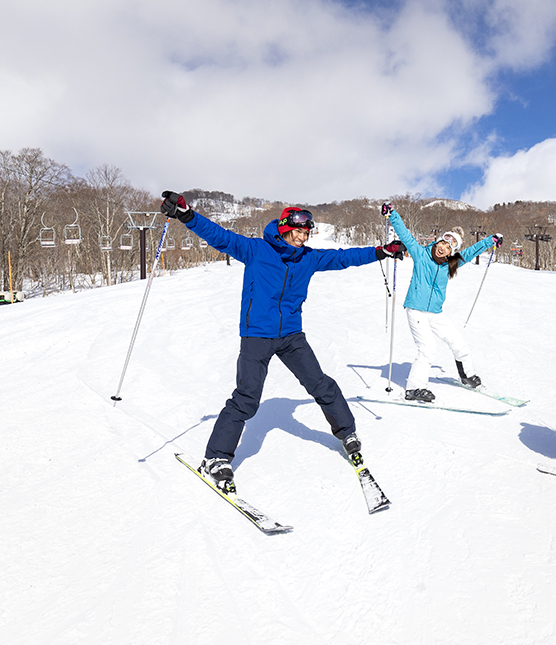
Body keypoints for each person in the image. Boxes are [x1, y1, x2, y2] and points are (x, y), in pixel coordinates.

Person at [160, 191, 406, 490]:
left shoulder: (309, 258)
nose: (305, 235)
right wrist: (187, 215)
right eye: (300, 229)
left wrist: (382, 251)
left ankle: (347, 433)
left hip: (291, 335)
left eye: (308, 231)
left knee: (321, 384)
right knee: (246, 399)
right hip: (257, 335)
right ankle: (216, 458)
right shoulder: (256, 250)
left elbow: (345, 258)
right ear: (285, 227)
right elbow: (219, 237)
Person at [381, 203, 500, 403]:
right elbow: (404, 233)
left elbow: (471, 252)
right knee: (427, 348)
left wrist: (491, 240)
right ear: (438, 241)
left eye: (449, 247)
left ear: (451, 251)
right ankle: (414, 389)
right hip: (416, 310)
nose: (443, 248)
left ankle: (467, 376)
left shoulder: (451, 264)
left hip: (435, 312)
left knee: (459, 345)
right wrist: (392, 214)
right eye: (443, 243)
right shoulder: (420, 255)